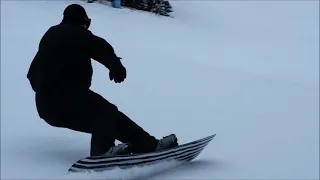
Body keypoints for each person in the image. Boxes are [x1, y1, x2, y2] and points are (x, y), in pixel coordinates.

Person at [27, 4, 178, 157]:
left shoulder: (50, 36)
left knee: (112, 119)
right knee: (105, 113)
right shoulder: (77, 33)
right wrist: (116, 67)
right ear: (83, 21)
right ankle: (102, 154)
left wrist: (46, 91)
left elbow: (31, 74)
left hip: (46, 106)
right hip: (67, 97)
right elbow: (100, 47)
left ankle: (149, 146)